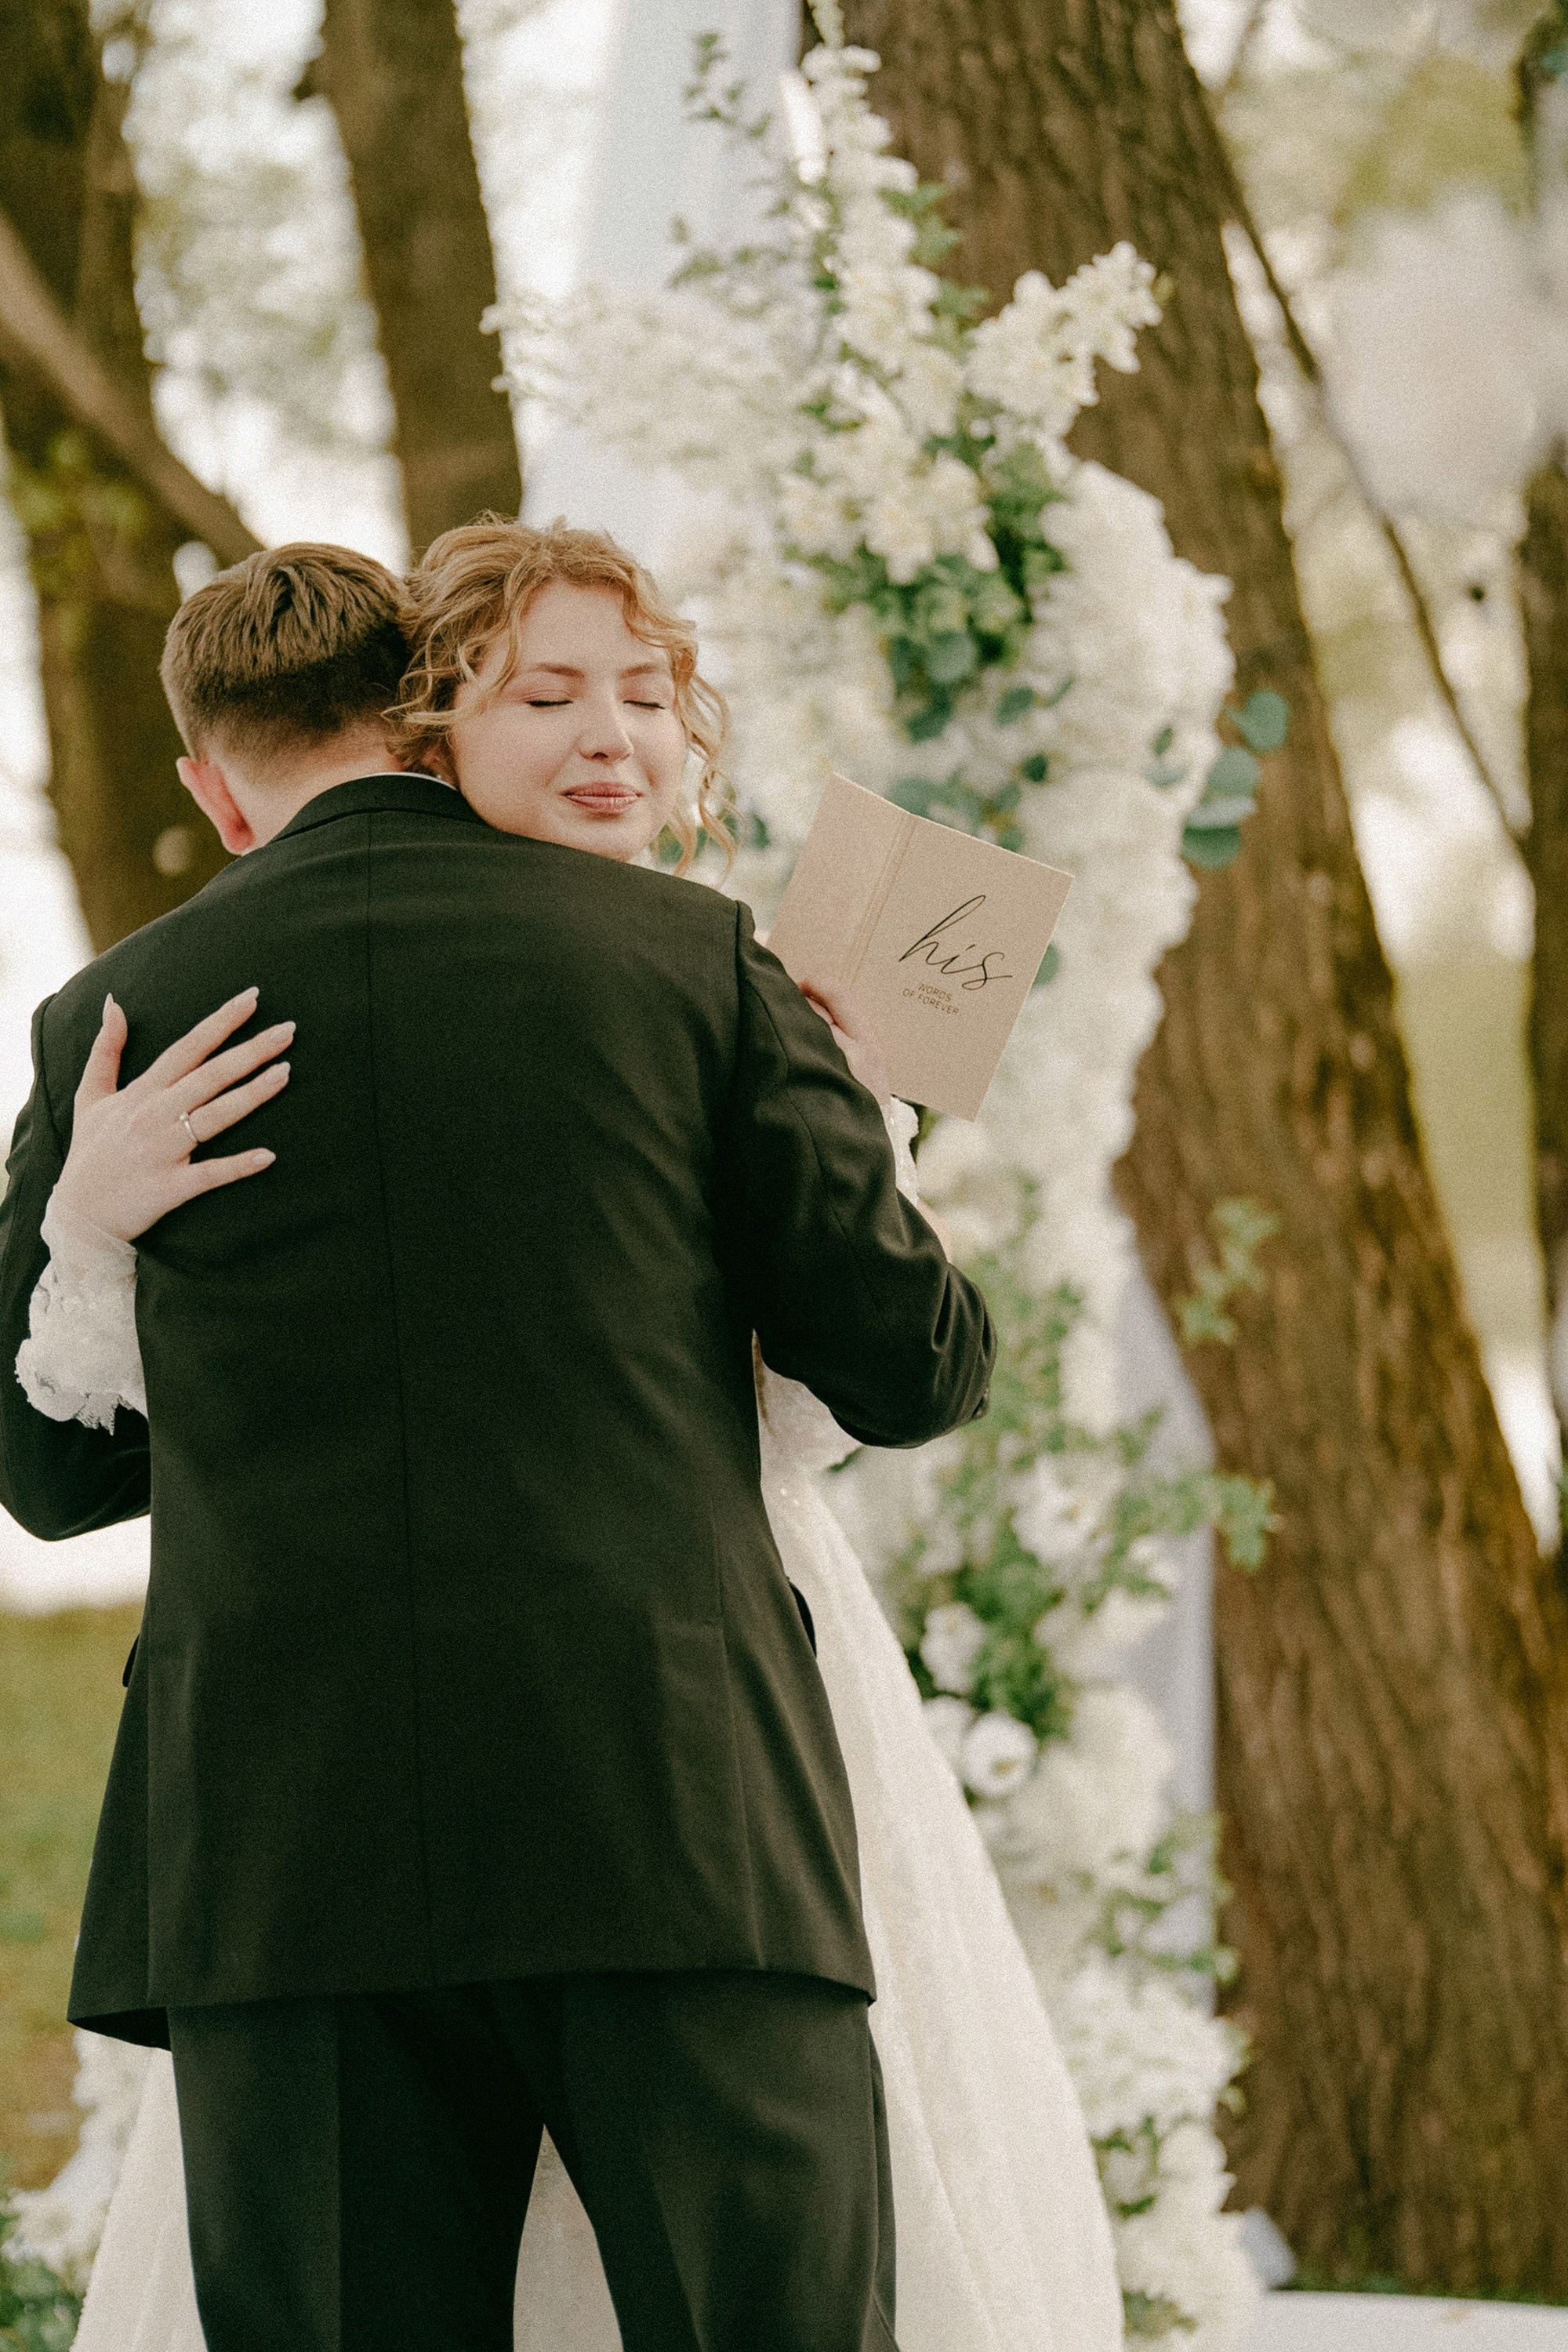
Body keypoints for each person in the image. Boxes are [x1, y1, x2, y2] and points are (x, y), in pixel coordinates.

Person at [4, 524, 1123, 2352]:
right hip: (669, 1813)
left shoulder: (105, 1026)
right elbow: (917, 1372)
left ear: (213, 791)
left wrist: (92, 1241)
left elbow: (46, 1478)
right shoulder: (693, 960)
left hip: (291, 1866)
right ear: (423, 713)